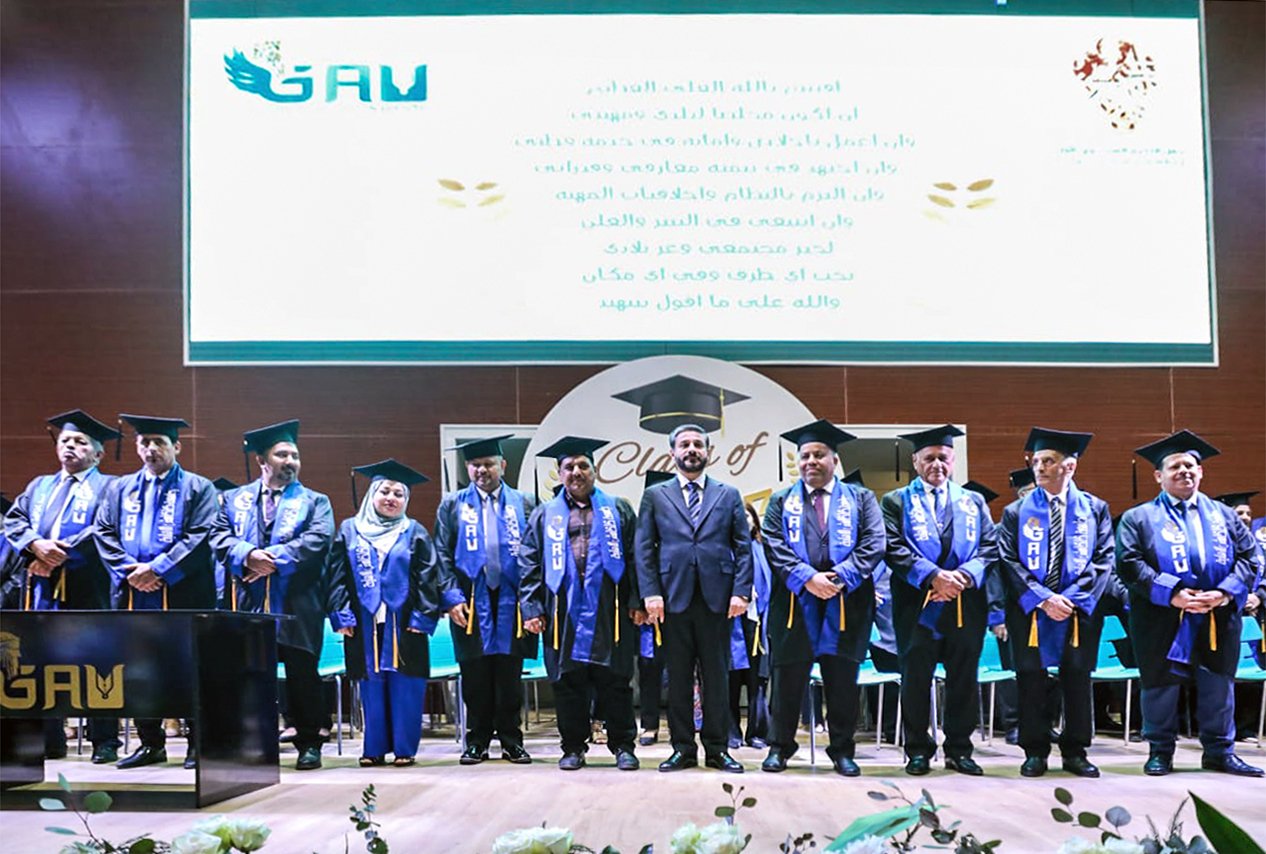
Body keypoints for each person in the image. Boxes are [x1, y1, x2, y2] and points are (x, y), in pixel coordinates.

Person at [1116, 430, 1262, 777]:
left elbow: (1249, 558)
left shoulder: (1224, 515)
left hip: (1216, 614)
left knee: (1218, 685)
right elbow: (1129, 563)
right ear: (1158, 476)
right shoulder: (1138, 518)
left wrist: (1224, 592)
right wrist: (1173, 593)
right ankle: (1160, 751)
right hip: (1161, 615)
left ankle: (1219, 752)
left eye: (1190, 465)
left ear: (1201, 471)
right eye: (1175, 466)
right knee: (1160, 685)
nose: (1184, 471)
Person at [760, 420, 885, 777]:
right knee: (787, 680)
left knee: (842, 680)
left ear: (834, 460)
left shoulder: (860, 499)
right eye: (804, 456)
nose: (810, 461)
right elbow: (773, 544)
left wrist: (840, 577)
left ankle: (842, 750)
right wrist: (808, 578)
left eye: (819, 454)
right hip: (795, 602)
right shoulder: (781, 501)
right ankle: (779, 748)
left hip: (846, 602)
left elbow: (874, 542)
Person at [95, 414, 217, 770]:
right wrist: (131, 571)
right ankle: (150, 743)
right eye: (144, 442)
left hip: (183, 592)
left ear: (176, 447)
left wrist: (159, 569)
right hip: (133, 593)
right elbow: (103, 532)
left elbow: (201, 535)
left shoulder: (198, 488)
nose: (151, 449)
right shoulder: (120, 489)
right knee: (139, 667)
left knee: (189, 666)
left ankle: (197, 744)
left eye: (159, 442)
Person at [211, 420, 334, 771]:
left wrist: (272, 560)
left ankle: (309, 743)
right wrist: (248, 554)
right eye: (282, 455)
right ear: (262, 461)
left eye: (295, 455)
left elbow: (318, 539)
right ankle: (255, 745)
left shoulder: (315, 501)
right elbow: (218, 536)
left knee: (302, 673)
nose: (290, 461)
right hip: (249, 600)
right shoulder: (234, 499)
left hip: (297, 600)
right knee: (252, 674)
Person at [4, 410, 122, 763]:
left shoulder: (110, 487)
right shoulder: (39, 486)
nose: (70, 446)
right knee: (42, 661)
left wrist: (60, 553)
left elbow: (105, 528)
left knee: (96, 662)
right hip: (41, 587)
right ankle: (50, 740)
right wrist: (35, 546)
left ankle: (105, 740)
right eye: (66, 440)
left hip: (89, 585)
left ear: (98, 454)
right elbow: (15, 521)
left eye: (80, 442)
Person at [635, 423, 753, 773]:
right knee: (678, 678)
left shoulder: (728, 494)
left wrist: (741, 591)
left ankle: (717, 749)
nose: (691, 449)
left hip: (718, 599)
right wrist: (650, 592)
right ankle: (683, 748)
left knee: (717, 678)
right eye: (684, 444)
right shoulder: (655, 495)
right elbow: (644, 548)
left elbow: (743, 547)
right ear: (672, 452)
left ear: (708, 451)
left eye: (698, 444)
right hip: (672, 599)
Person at [881, 424, 998, 776]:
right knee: (916, 678)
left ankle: (959, 749)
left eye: (943, 458)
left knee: (964, 678)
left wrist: (963, 576)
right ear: (916, 462)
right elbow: (892, 547)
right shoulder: (896, 501)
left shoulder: (973, 501)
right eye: (929, 458)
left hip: (965, 603)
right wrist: (933, 576)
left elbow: (989, 547)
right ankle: (918, 749)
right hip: (916, 604)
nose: (937, 465)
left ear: (953, 461)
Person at [518, 437, 641, 771]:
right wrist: (532, 608)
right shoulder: (545, 514)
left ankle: (623, 746)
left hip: (610, 609)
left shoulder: (618, 509)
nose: (576, 472)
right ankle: (573, 747)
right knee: (568, 683)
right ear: (559, 474)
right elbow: (529, 562)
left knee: (616, 681)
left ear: (595, 470)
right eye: (569, 466)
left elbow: (635, 557)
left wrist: (637, 600)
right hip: (563, 611)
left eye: (583, 465)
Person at [997, 428, 1112, 778]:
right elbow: (1008, 561)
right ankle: (1035, 751)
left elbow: (1104, 559)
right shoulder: (1016, 511)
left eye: (1048, 461)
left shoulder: (1095, 508)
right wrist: (1044, 598)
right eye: (1036, 462)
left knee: (1076, 677)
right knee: (1031, 678)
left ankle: (1075, 752)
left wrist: (1071, 599)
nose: (1040, 468)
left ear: (1070, 467)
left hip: (1078, 609)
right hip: (1031, 610)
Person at [326, 459, 441, 767]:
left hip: (405, 623)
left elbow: (429, 577)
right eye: (385, 491)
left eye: (399, 494)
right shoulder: (350, 530)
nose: (391, 498)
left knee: (406, 685)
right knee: (371, 684)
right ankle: (373, 748)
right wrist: (341, 615)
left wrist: (422, 617)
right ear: (372, 494)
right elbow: (336, 575)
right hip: (363, 622)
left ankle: (405, 748)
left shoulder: (414, 532)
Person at [433, 435, 538, 765]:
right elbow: (441, 553)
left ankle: (511, 740)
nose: (482, 470)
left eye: (489, 464)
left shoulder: (525, 502)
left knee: (509, 675)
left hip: (512, 599)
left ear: (502, 466)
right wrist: (451, 597)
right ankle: (477, 741)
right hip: (470, 599)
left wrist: (532, 600)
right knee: (475, 674)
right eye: (475, 465)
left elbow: (535, 553)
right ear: (467, 468)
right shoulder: (453, 505)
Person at [636, 471, 676, 746]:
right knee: (649, 670)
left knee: (679, 673)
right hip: (649, 618)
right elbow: (634, 569)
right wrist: (640, 605)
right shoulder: (642, 535)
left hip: (679, 612)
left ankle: (678, 724)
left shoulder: (679, 533)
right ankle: (649, 725)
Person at [728, 502, 770, 751]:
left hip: (759, 621)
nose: (745, 520)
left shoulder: (764, 548)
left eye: (748, 515)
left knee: (758, 682)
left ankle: (757, 732)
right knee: (730, 680)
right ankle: (731, 732)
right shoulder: (724, 548)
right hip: (731, 622)